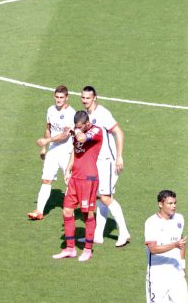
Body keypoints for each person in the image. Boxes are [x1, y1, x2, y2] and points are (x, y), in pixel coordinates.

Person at [80, 86, 131, 247]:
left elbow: (119, 132)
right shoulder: (85, 116)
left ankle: (124, 232)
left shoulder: (102, 113)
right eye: (83, 97)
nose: (85, 101)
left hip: (107, 161)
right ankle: (98, 235)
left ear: (95, 97)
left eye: (88, 98)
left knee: (106, 197)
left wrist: (119, 156)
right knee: (100, 198)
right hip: (96, 162)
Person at [52, 110, 103, 262]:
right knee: (67, 211)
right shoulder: (78, 130)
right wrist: (68, 169)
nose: (78, 128)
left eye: (81, 126)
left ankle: (88, 250)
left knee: (87, 213)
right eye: (76, 126)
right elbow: (75, 151)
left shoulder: (96, 131)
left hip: (88, 179)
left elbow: (81, 137)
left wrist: (74, 130)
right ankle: (70, 248)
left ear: (87, 124)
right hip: (75, 178)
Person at [145, 190, 187, 303]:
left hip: (176, 272)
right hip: (157, 274)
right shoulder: (151, 223)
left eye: (174, 203)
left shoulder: (179, 219)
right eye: (170, 203)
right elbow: (153, 249)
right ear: (160, 204)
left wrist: (183, 266)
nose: (173, 206)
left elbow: (182, 243)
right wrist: (174, 245)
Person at [27, 85, 76, 220]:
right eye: (57, 97)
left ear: (67, 98)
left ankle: (71, 210)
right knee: (46, 179)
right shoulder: (50, 110)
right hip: (53, 151)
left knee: (69, 181)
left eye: (61, 97)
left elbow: (65, 135)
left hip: (67, 151)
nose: (59, 100)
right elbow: (48, 128)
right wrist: (43, 148)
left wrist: (46, 141)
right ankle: (39, 211)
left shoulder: (71, 113)